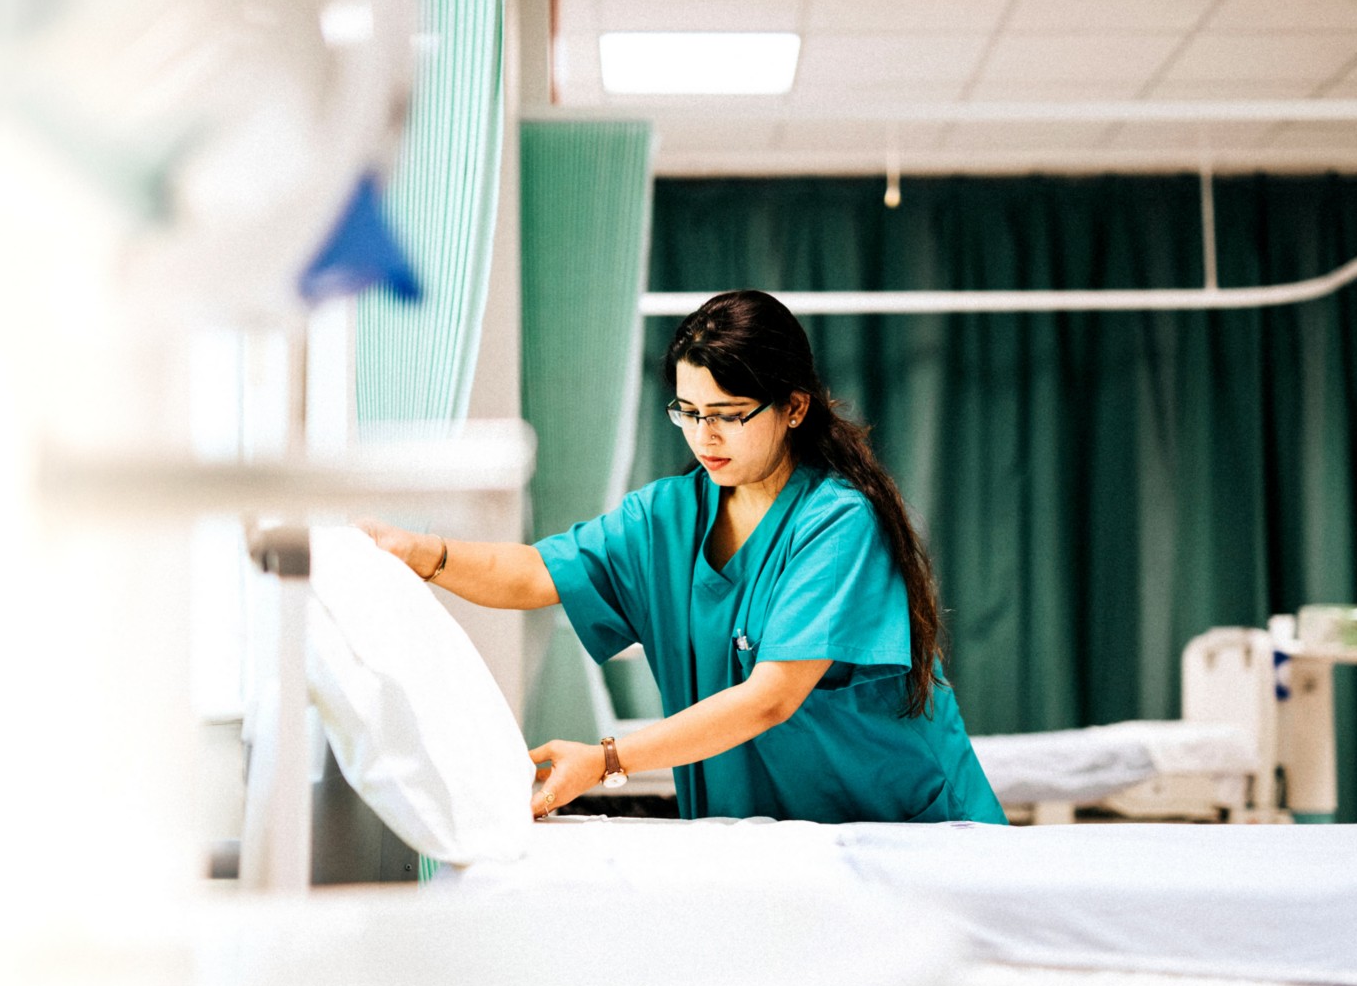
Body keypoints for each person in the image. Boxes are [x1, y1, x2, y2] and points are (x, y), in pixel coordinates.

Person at [362, 290, 1006, 825]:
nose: (705, 436)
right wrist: (422, 553)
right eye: (689, 412)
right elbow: (535, 572)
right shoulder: (667, 517)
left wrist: (608, 759)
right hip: (771, 836)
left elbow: (770, 698)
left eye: (727, 414)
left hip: (901, 828)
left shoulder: (836, 522)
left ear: (795, 407)